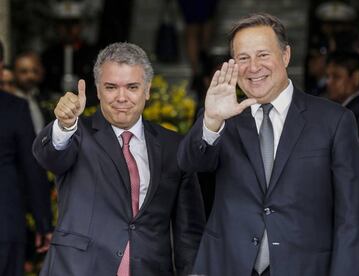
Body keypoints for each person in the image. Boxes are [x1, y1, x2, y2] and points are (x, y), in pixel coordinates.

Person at [178, 13, 359, 276]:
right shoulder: (223, 117)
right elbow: (189, 164)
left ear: (286, 55)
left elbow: (352, 220)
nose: (253, 67)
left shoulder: (334, 121)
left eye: (263, 55)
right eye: (243, 58)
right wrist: (211, 120)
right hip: (227, 266)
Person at [32, 42, 205, 276]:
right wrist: (64, 125)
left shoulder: (174, 146)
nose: (121, 97)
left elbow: (188, 232)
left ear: (147, 89)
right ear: (98, 89)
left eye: (132, 87)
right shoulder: (76, 133)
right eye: (111, 87)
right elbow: (49, 157)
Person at [0, 41, 52, 276]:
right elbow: (32, 167)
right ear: (2, 65)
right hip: (5, 223)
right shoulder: (15, 108)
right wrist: (43, 221)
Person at [325, 51, 359, 136]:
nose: (328, 82)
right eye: (327, 76)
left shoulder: (356, 114)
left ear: (356, 78)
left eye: (336, 77)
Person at [13, 51, 49, 134]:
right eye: (24, 71)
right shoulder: (8, 100)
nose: (30, 76)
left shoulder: (42, 98)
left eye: (35, 71)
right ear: (14, 73)